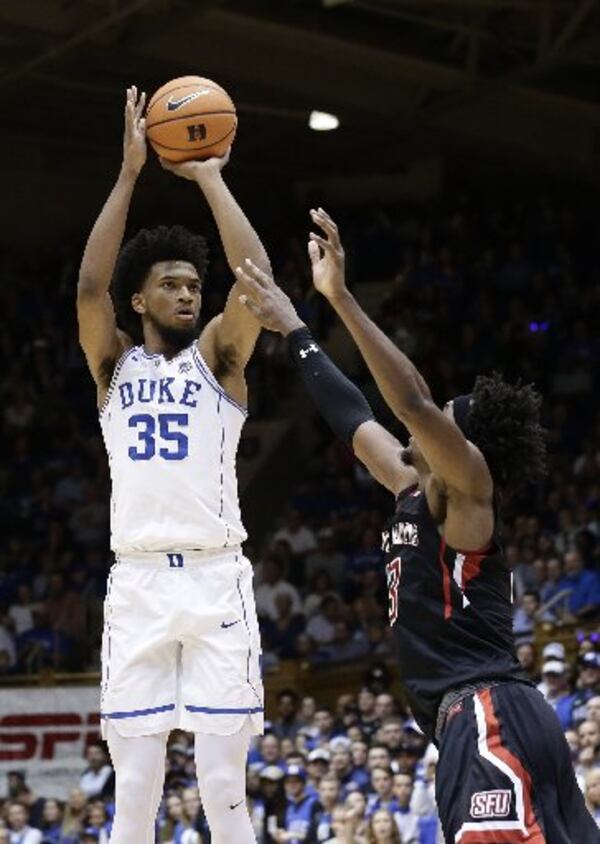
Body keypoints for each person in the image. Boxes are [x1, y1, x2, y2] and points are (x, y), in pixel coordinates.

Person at [234, 208, 600, 842]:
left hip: (487, 711)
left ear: (464, 445)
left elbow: (410, 399)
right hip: (480, 718)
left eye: (442, 421)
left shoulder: (470, 494)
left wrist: (341, 298)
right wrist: (294, 325)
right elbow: (350, 413)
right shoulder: (410, 485)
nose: (422, 426)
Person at [77, 86, 271, 844]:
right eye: (172, 284)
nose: (189, 292)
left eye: (193, 284)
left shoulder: (221, 360)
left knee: (224, 788)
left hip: (218, 579)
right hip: (138, 583)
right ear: (141, 298)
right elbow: (89, 289)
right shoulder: (113, 369)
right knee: (136, 791)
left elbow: (253, 278)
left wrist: (212, 177)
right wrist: (128, 174)